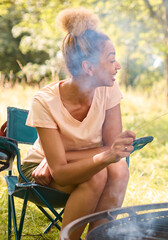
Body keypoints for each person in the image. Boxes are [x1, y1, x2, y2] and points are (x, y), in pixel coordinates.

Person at [20, 8, 135, 239]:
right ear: (88, 68)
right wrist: (56, 160)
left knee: (119, 169)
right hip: (41, 170)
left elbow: (113, 151)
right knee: (96, 176)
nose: (118, 65)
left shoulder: (109, 89)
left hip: (56, 161)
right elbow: (60, 173)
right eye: (111, 59)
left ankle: (99, 237)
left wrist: (64, 157)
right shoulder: (45, 101)